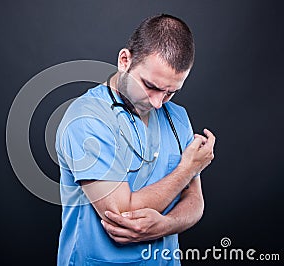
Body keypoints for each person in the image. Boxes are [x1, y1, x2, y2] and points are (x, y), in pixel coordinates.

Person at [55, 14, 215, 265]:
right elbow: (121, 214)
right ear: (124, 60)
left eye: (170, 92)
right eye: (150, 86)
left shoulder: (178, 118)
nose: (157, 102)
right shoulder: (87, 120)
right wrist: (188, 169)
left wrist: (166, 225)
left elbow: (195, 201)